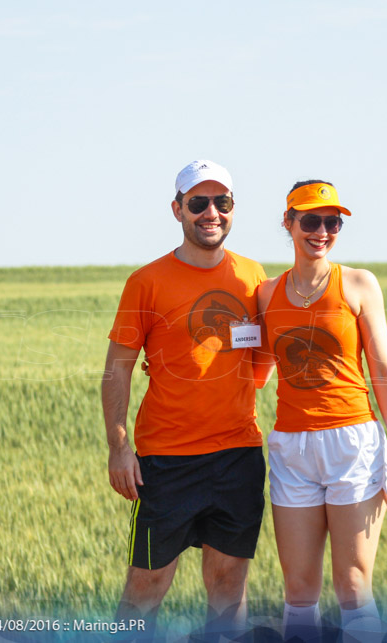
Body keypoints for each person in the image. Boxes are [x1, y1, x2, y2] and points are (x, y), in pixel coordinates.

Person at [101, 159, 269, 639]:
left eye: (222, 202)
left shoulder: (252, 276)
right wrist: (118, 445)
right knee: (146, 586)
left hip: (238, 456)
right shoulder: (147, 281)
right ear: (178, 210)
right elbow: (117, 369)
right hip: (166, 461)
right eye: (198, 203)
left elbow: (262, 351)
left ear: (233, 209)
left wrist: (236, 393)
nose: (210, 213)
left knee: (228, 586)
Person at [256, 180, 387, 643]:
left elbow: (383, 369)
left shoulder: (359, 283)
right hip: (291, 447)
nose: (322, 231)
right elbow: (257, 372)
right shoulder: (267, 295)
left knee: (352, 586)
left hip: (352, 443)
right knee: (299, 591)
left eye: (332, 222)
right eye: (310, 220)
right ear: (288, 223)